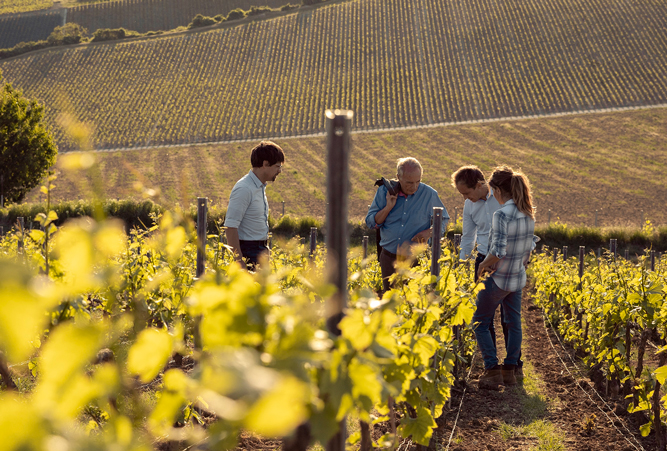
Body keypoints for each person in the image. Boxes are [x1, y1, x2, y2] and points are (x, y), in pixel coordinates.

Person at [451, 165, 524, 378]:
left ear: (480, 185)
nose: (465, 197)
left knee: (508, 318)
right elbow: (467, 236)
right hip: (482, 260)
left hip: (505, 260)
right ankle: (492, 368)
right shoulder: (469, 205)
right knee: (486, 316)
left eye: (467, 192)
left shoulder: (502, 198)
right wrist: (463, 262)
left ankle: (513, 365)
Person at [471, 166, 535, 389]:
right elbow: (528, 249)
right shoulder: (527, 213)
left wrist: (482, 266)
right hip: (517, 277)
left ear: (497, 190)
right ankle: (511, 370)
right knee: (513, 322)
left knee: (479, 322)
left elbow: (497, 250)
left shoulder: (502, 214)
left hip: (499, 279)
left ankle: (491, 369)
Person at [366, 157, 449, 292]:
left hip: (415, 261)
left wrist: (430, 231)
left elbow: (443, 220)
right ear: (398, 177)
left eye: (418, 181)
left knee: (414, 303)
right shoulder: (384, 191)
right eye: (409, 183)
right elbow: (370, 222)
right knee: (391, 302)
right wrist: (388, 207)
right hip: (389, 259)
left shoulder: (429, 194)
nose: (415, 187)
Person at [224, 141, 284, 270]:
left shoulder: (258, 187)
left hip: (259, 251)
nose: (280, 171)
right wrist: (240, 264)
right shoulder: (244, 188)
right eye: (277, 166)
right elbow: (230, 227)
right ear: (265, 164)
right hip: (248, 252)